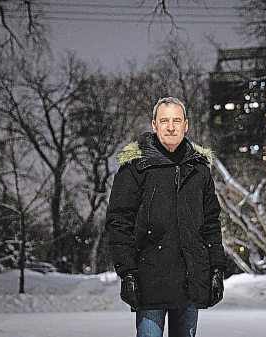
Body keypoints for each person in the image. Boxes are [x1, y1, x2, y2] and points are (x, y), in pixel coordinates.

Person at [106, 97, 226, 337]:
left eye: (176, 121)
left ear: (186, 126)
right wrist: (127, 272)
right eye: (164, 121)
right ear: (154, 125)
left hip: (190, 280)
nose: (170, 127)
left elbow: (211, 222)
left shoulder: (199, 169)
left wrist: (216, 269)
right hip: (149, 279)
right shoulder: (135, 168)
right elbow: (119, 222)